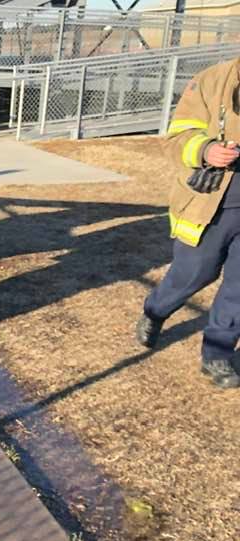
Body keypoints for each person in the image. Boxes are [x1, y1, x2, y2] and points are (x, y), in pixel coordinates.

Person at [135, 59, 240, 389]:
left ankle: (217, 354)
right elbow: (177, 136)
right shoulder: (211, 80)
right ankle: (155, 310)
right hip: (210, 204)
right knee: (195, 272)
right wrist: (206, 150)